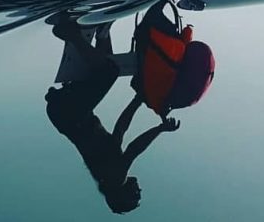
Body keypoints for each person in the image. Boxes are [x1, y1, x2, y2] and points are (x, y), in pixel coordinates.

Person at [45, 19, 180, 214]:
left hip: (70, 113)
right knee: (105, 67)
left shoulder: (116, 179)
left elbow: (134, 149)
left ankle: (69, 33)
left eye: (136, 194)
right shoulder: (109, 169)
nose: (139, 189)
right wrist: (138, 99)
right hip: (66, 113)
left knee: (109, 72)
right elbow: (121, 128)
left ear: (123, 194)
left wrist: (161, 129)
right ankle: (103, 31)